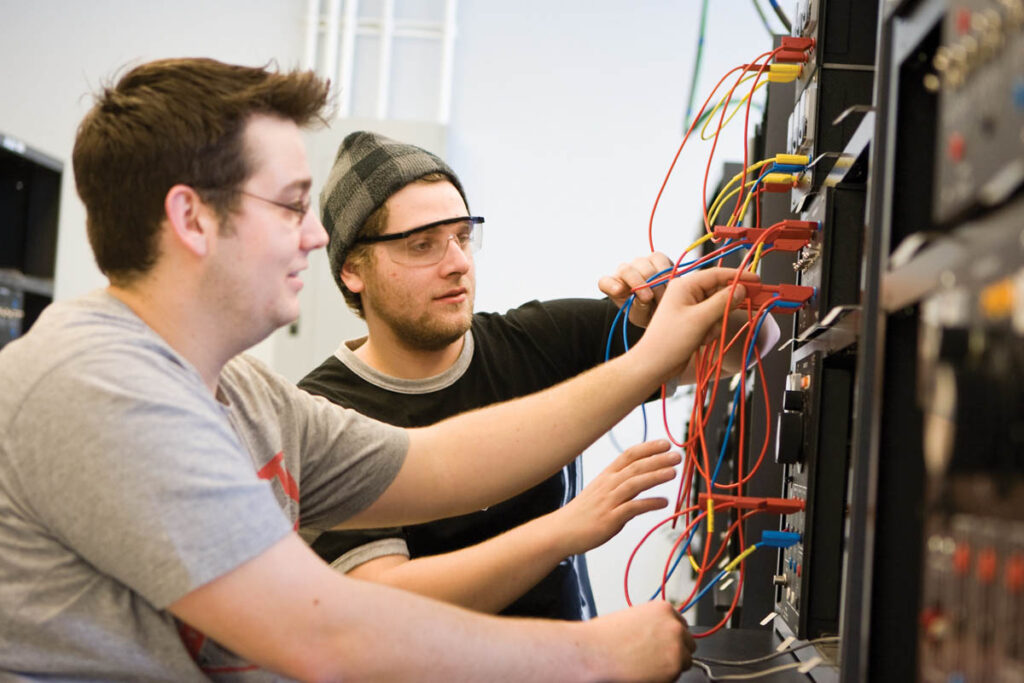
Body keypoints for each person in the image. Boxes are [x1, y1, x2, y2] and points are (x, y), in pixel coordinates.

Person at [0, 57, 754, 681]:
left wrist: (648, 357)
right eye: (292, 206)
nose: (315, 236)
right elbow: (326, 636)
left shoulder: (244, 391)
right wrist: (592, 657)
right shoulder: (99, 385)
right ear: (192, 218)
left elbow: (435, 462)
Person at [300, 131, 708, 620]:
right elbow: (385, 604)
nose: (457, 264)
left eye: (462, 236)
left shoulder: (538, 340)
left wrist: (676, 301)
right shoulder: (324, 415)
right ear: (352, 270)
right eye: (422, 244)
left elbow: (749, 347)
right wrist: (566, 530)